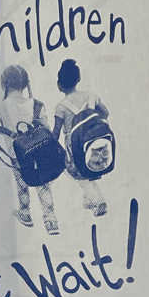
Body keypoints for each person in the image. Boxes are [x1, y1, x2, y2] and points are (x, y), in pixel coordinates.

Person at [0, 65, 60, 235]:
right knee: (43, 185)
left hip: (17, 157)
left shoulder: (1, 107)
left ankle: (25, 213)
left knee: (22, 184)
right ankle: (50, 220)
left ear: (5, 85)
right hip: (40, 154)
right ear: (26, 84)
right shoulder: (37, 104)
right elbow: (47, 129)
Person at [52, 58, 110, 216]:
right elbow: (105, 113)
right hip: (96, 145)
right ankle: (88, 198)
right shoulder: (91, 95)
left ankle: (98, 201)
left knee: (71, 170)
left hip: (75, 150)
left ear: (59, 85)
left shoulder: (61, 106)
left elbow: (56, 132)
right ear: (78, 79)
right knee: (86, 169)